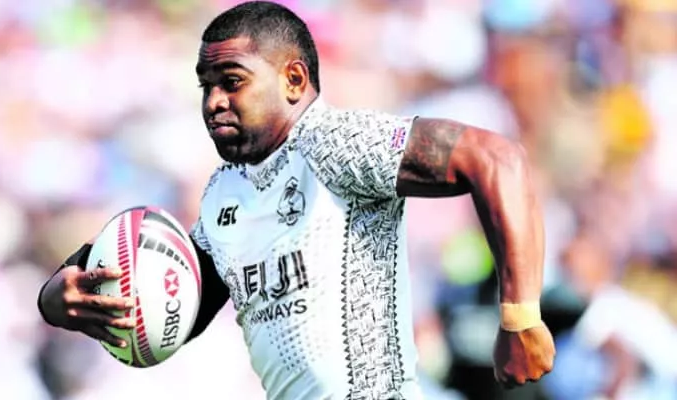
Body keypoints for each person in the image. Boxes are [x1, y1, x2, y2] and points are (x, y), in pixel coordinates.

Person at [37, 1, 555, 399]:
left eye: (232, 82)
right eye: (206, 86)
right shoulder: (224, 194)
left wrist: (520, 317)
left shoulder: (336, 143)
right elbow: (175, 311)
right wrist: (59, 300)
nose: (213, 102)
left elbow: (497, 158)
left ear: (293, 80)